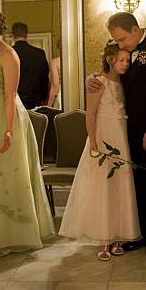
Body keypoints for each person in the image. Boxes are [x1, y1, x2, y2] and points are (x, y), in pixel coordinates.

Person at [87, 12, 146, 256]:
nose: (120, 45)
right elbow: (112, 76)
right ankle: (141, 235)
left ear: (136, 29)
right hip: (126, 131)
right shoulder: (124, 54)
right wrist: (92, 79)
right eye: (116, 41)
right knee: (137, 186)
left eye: (122, 39)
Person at [0, 9, 55, 257]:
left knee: (8, 176)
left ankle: (14, 235)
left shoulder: (10, 55)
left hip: (10, 120)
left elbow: (8, 96)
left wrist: (7, 131)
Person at [59, 41, 140, 261]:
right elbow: (91, 114)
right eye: (121, 60)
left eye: (128, 60)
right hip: (103, 137)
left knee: (119, 184)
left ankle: (117, 236)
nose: (125, 64)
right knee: (103, 186)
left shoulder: (125, 83)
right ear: (110, 59)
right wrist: (93, 142)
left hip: (121, 138)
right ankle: (103, 239)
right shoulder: (99, 83)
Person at [11, 22, 50, 109]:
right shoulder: (39, 53)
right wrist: (42, 98)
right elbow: (44, 78)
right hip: (35, 100)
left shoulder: (9, 53)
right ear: (26, 34)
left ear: (13, 35)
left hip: (14, 100)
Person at [47, 38, 62, 109]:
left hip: (61, 96)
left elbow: (55, 85)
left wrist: (49, 106)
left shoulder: (55, 62)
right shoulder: (77, 61)